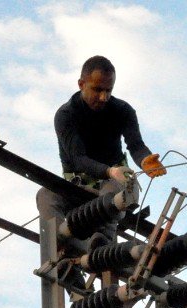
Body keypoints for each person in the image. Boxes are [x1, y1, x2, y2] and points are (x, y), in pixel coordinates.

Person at [37, 55, 167, 226]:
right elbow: (78, 159)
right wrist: (110, 170)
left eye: (109, 90)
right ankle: (60, 246)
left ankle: (101, 242)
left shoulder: (123, 111)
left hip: (114, 186)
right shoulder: (66, 116)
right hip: (79, 187)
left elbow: (136, 145)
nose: (103, 97)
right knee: (46, 196)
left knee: (109, 198)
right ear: (81, 84)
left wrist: (145, 159)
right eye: (97, 90)